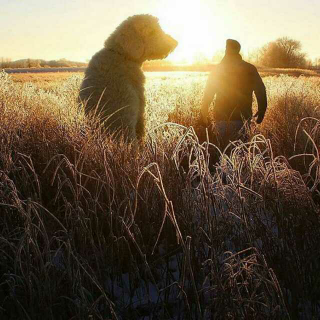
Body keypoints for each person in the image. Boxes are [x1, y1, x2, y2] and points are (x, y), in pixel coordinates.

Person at [200, 39, 267, 145]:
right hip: (242, 117)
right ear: (238, 50)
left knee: (222, 152)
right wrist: (262, 109)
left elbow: (209, 92)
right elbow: (260, 90)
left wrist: (204, 111)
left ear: (226, 50)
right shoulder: (249, 68)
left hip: (221, 118)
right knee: (241, 151)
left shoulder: (218, 69)